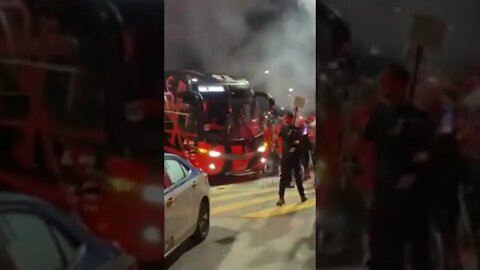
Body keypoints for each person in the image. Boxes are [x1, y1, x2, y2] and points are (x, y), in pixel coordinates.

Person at [364, 63, 433, 270]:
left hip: (406, 196)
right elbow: (366, 144)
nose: (384, 87)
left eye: (388, 82)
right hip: (390, 194)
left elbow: (428, 152)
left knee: (410, 249)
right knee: (389, 251)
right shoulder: (380, 115)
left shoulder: (417, 116)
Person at [428, 85, 465, 270]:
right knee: (445, 219)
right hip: (442, 173)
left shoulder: (447, 114)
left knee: (447, 219)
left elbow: (444, 139)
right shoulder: (437, 114)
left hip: (445, 174)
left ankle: (452, 258)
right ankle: (450, 257)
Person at [276, 112, 307, 206]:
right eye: (285, 118)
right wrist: (289, 132)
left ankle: (302, 195)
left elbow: (300, 141)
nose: (285, 120)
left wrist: (296, 141)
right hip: (286, 157)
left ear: (290, 119)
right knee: (283, 177)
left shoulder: (297, 130)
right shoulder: (284, 129)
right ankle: (281, 198)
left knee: (298, 177)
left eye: (286, 118)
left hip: (294, 157)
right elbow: (280, 136)